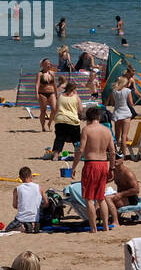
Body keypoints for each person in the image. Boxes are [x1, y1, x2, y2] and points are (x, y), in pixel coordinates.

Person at [70, 105, 116, 234]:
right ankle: (106, 226)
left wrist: (74, 166)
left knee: (89, 198)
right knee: (101, 197)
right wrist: (112, 168)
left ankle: (93, 228)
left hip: (91, 164)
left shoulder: (86, 130)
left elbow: (80, 149)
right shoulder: (107, 130)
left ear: (87, 119)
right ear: (99, 117)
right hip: (103, 164)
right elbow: (112, 152)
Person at [4, 168, 45, 234]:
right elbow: (46, 203)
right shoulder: (39, 187)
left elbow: (14, 206)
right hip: (35, 218)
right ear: (31, 176)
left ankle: (22, 228)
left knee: (8, 229)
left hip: (21, 218)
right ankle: (33, 225)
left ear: (20, 177)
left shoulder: (17, 189)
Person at [50, 78, 82, 160]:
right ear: (73, 89)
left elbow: (56, 108)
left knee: (59, 138)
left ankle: (55, 155)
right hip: (72, 120)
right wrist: (80, 116)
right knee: (76, 139)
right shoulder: (76, 97)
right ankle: (78, 155)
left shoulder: (60, 96)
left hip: (60, 119)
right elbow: (80, 110)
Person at [111, 75, 134, 158]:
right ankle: (123, 154)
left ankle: (116, 152)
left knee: (117, 136)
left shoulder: (114, 91)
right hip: (126, 113)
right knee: (124, 136)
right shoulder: (127, 91)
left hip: (117, 113)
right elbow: (131, 103)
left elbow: (113, 103)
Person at [35, 58, 57, 132]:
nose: (49, 64)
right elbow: (37, 85)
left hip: (51, 93)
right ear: (43, 65)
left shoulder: (52, 73)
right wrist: (37, 94)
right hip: (42, 93)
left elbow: (54, 84)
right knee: (43, 111)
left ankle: (49, 123)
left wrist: (57, 94)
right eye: (47, 63)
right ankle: (43, 127)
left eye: (49, 63)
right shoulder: (40, 74)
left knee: (54, 109)